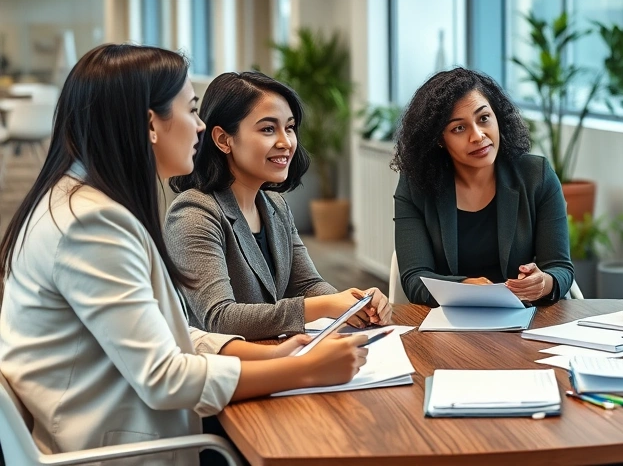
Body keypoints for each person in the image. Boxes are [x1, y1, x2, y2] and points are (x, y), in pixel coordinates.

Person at [0, 45, 368, 465]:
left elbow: (167, 332)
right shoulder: (92, 225)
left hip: (130, 427)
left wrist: (273, 354)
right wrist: (303, 370)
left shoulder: (86, 205)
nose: (198, 126)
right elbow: (163, 378)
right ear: (150, 124)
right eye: (191, 110)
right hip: (126, 449)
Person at [165, 71, 391, 340]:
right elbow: (219, 318)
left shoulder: (275, 205)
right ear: (224, 140)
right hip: (228, 371)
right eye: (268, 129)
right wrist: (325, 306)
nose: (286, 142)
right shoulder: (193, 214)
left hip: (276, 355)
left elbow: (306, 284)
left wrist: (356, 302)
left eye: (290, 127)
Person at [392, 67, 573, 306]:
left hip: (527, 320)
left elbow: (560, 268)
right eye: (459, 128)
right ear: (438, 140)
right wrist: (463, 287)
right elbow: (415, 278)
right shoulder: (416, 185)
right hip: (450, 327)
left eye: (484, 118)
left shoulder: (536, 175)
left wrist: (543, 282)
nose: (477, 136)